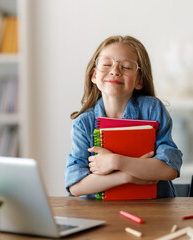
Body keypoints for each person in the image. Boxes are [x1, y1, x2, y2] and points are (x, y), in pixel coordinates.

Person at [65, 35, 182, 197]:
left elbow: (169, 169)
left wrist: (115, 161)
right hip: (100, 213)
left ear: (139, 80)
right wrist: (127, 176)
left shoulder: (152, 109)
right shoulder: (83, 123)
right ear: (94, 75)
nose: (115, 71)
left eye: (126, 67)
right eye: (106, 64)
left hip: (155, 211)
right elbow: (76, 186)